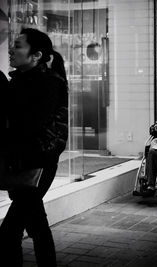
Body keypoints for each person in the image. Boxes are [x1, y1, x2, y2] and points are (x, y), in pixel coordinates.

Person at [0, 28, 68, 266]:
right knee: (37, 225)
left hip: (38, 165)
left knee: (8, 233)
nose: (12, 49)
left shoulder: (48, 83)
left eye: (18, 45)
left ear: (36, 55)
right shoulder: (18, 81)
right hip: (20, 163)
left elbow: (28, 124)